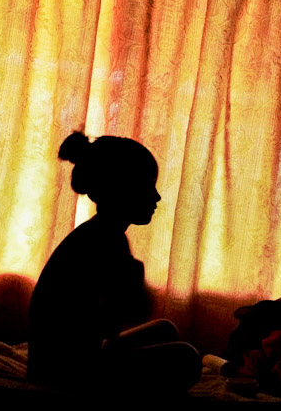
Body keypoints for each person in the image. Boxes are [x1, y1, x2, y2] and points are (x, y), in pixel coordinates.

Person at [27, 131, 201, 395]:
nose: (157, 197)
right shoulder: (105, 241)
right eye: (148, 186)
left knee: (166, 329)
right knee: (186, 358)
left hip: (67, 357)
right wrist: (134, 285)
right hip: (64, 371)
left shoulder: (101, 233)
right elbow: (113, 324)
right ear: (122, 188)